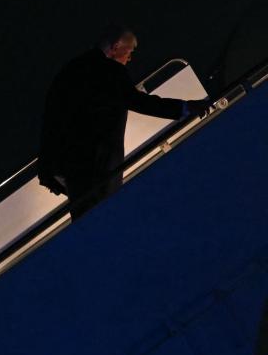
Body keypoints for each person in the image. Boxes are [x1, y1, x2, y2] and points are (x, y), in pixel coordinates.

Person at [37, 24, 210, 221]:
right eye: (130, 51)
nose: (130, 58)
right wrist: (185, 108)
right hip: (97, 163)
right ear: (117, 46)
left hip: (71, 162)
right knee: (102, 216)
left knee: (86, 220)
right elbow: (137, 101)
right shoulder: (109, 70)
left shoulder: (72, 69)